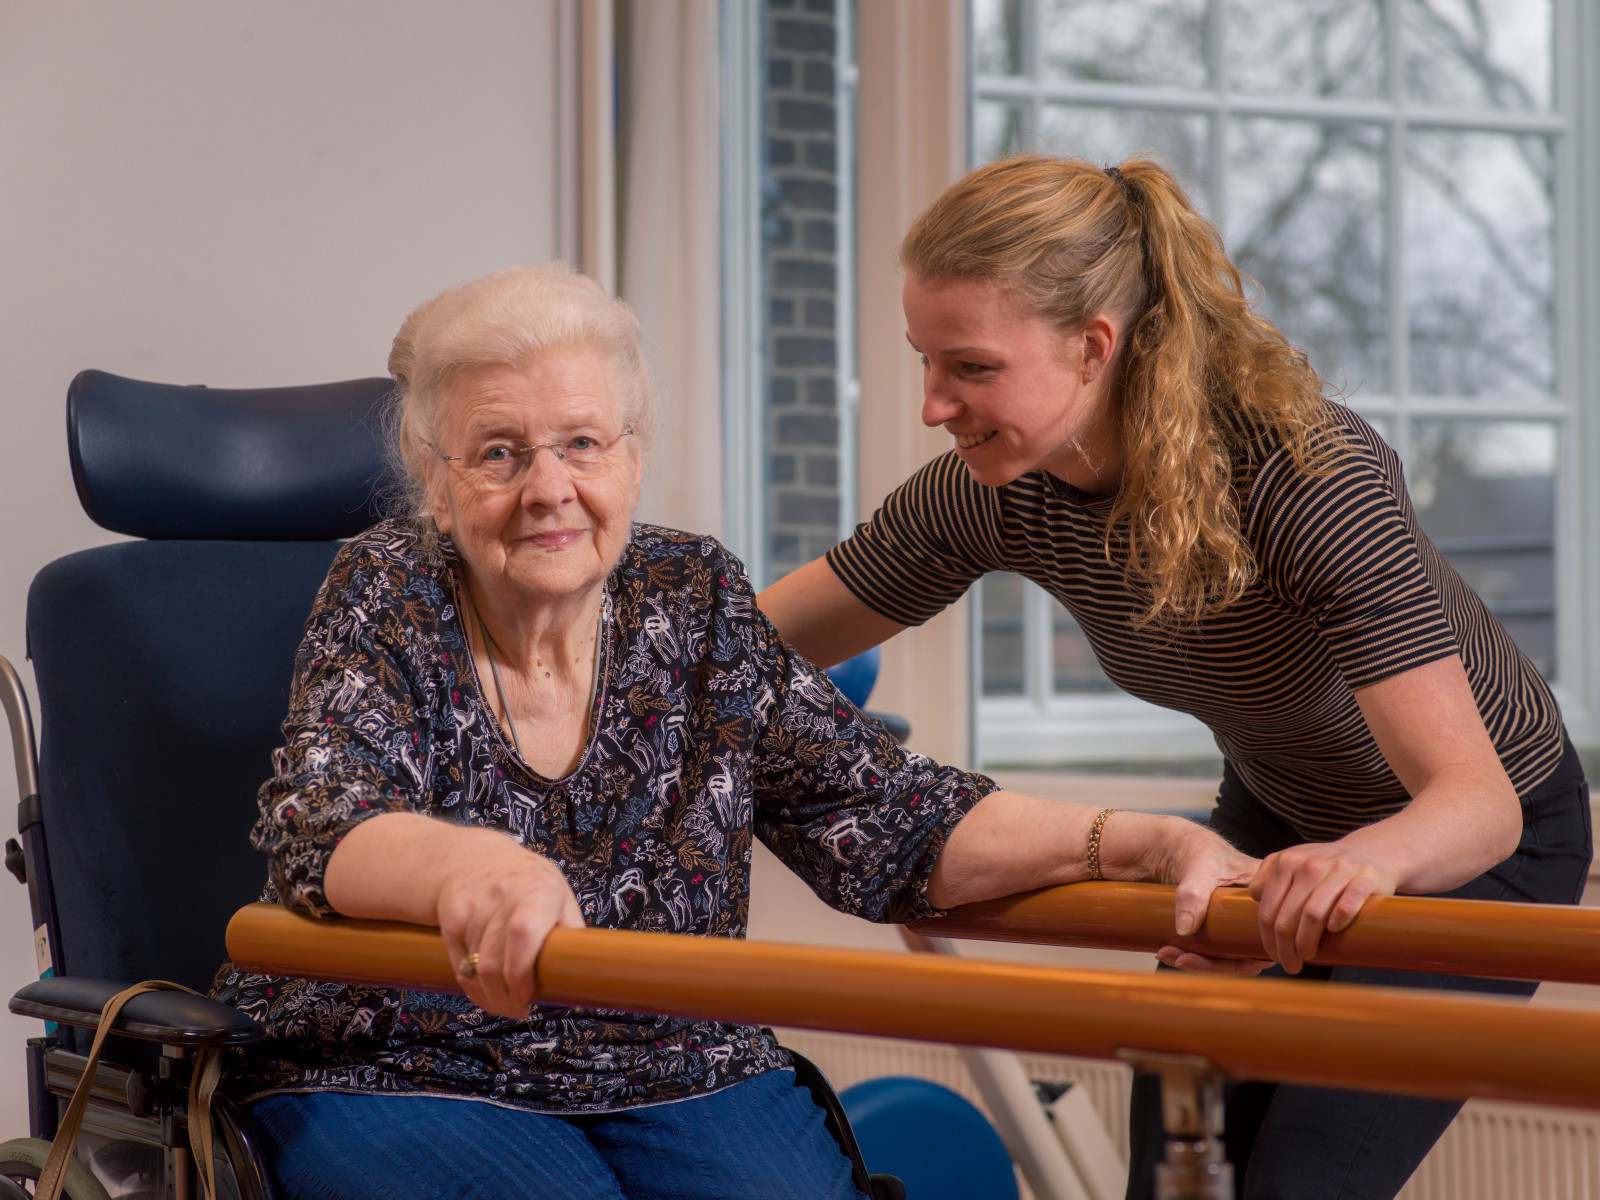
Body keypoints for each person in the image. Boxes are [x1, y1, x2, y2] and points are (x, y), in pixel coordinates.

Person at [211, 262, 1257, 1200]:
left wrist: (1142, 840)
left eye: (582, 442)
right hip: (404, 1066)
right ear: (436, 483)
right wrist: (478, 873)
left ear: (632, 454)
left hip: (677, 1063)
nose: (549, 488)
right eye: (499, 452)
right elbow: (323, 821)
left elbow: (886, 820)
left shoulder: (692, 594)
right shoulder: (388, 587)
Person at [756, 154, 1594, 1200]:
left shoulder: (1305, 477)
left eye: (970, 368)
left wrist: (1356, 868)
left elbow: (1473, 803)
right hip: (1277, 817)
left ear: (1092, 345)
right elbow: (733, 645)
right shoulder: (991, 492)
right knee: (1175, 1165)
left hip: (1477, 835)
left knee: (1298, 1182)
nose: (933, 404)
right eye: (924, 360)